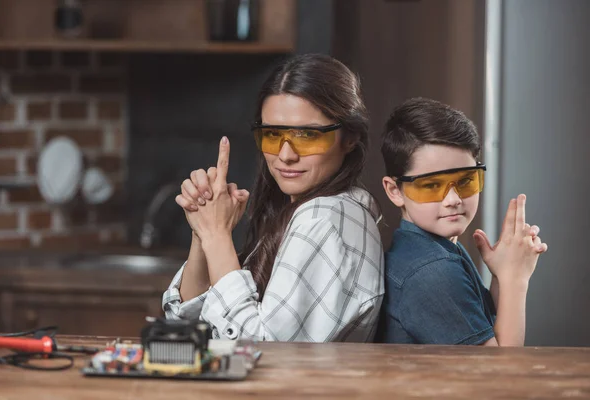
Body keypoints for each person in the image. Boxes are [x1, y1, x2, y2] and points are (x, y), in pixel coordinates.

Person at [162, 54, 384, 342]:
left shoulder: (322, 219)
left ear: (350, 137)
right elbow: (190, 326)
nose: (285, 155)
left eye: (307, 135)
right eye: (272, 134)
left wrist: (216, 234)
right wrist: (203, 228)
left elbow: (260, 352)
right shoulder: (301, 211)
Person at [378, 97, 548, 345]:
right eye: (432, 185)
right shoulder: (432, 271)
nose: (453, 199)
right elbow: (501, 374)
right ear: (395, 190)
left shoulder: (433, 248)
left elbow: (489, 329)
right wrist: (516, 279)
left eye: (466, 181)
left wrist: (502, 275)